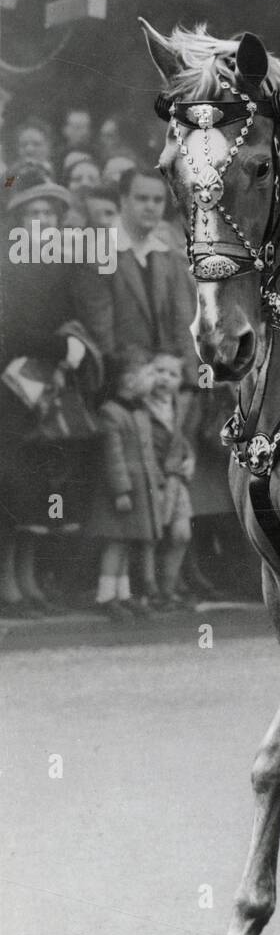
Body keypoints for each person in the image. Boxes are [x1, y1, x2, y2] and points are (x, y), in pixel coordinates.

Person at [0, 182, 100, 616]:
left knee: (44, 491)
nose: (42, 222)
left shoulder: (63, 268)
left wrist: (72, 345)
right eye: (33, 214)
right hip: (11, 391)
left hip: (51, 389)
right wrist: (61, 349)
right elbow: (10, 333)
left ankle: (34, 580)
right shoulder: (8, 268)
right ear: (20, 222)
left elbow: (76, 317)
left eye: (50, 215)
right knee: (14, 491)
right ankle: (11, 585)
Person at [74, 168, 197, 379]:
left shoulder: (170, 257)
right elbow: (103, 337)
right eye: (142, 198)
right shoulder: (97, 256)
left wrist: (192, 381)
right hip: (123, 381)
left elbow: (184, 325)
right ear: (123, 200)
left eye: (158, 200)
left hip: (173, 379)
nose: (151, 206)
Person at [87, 348, 162, 621]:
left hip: (141, 489)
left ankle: (123, 594)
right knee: (116, 543)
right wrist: (121, 491)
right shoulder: (112, 413)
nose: (154, 380)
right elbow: (114, 457)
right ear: (129, 380)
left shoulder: (140, 411)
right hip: (124, 492)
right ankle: (105, 596)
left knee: (128, 542)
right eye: (149, 374)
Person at [144, 351, 195, 610]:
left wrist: (189, 457)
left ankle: (168, 588)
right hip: (152, 480)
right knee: (150, 536)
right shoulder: (141, 405)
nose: (164, 378)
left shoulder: (177, 404)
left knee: (181, 534)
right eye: (158, 371)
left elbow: (179, 436)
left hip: (176, 477)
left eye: (172, 374)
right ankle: (151, 591)